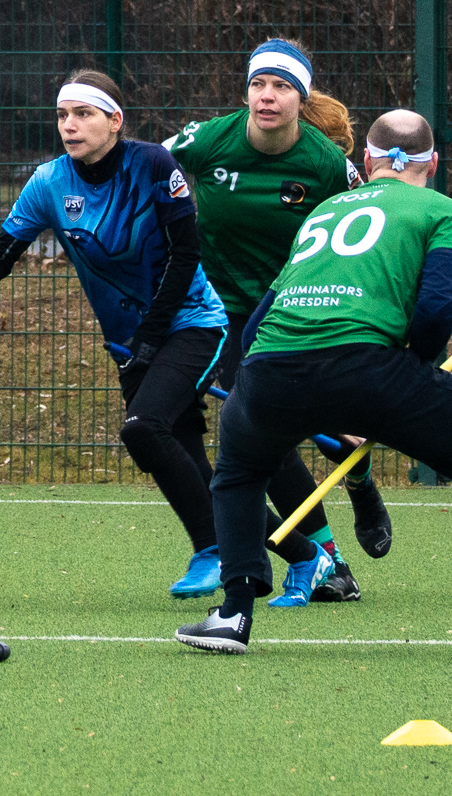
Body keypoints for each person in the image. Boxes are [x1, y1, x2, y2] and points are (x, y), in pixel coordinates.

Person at [176, 110, 452, 656]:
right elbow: (438, 308)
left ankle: (231, 615)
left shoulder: (322, 211)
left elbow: (258, 321)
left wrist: (261, 382)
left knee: (238, 473)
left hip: (269, 365)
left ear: (366, 162)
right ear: (432, 163)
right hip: (370, 365)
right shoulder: (446, 212)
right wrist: (405, 377)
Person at [0, 70, 328, 597]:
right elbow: (2, 252)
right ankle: (302, 555)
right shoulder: (48, 183)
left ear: (115, 121)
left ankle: (215, 548)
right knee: (176, 450)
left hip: (193, 325)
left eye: (84, 114)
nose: (70, 125)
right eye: (63, 115)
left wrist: (153, 338)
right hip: (130, 344)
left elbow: (186, 255)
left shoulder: (154, 165)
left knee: (142, 429)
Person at [163, 38, 393, 605]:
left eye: (282, 86)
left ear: (301, 97)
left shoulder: (326, 165)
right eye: (258, 84)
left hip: (292, 308)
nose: (267, 97)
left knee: (278, 428)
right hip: (214, 310)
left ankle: (351, 502)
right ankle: (328, 558)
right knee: (262, 429)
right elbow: (143, 170)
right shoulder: (205, 140)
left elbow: (371, 227)